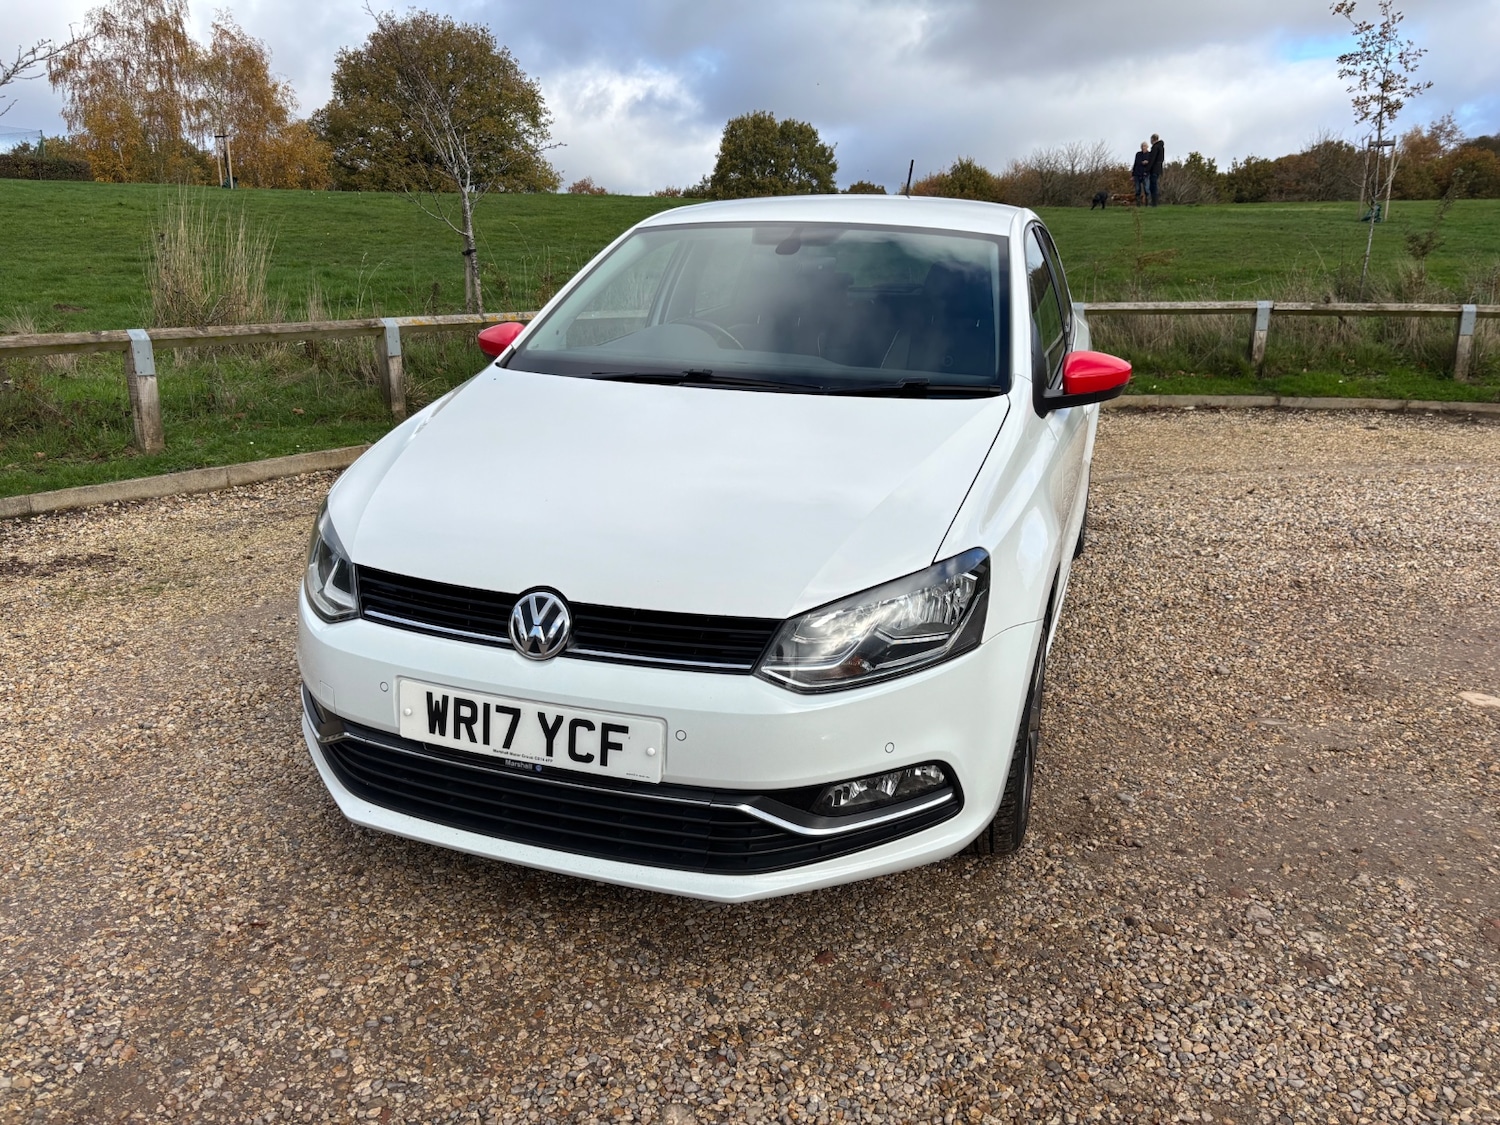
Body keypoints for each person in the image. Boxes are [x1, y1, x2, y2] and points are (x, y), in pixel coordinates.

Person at [1149, 133, 1165, 207]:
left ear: (1152, 139)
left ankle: (1154, 203)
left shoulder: (1155, 147)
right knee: (1154, 185)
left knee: (1153, 186)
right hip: (1159, 168)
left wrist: (1147, 169)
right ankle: (1154, 202)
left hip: (1154, 169)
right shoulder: (1161, 147)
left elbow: (1152, 159)